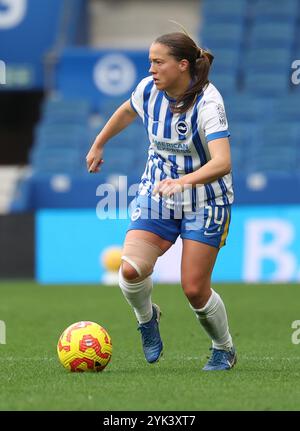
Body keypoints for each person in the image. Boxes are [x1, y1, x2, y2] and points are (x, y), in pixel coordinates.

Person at [86, 32, 237, 371]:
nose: (151, 69)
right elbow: (127, 111)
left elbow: (222, 162)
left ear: (183, 65)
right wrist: (99, 143)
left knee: (195, 290)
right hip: (158, 192)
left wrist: (182, 182)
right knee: (131, 269)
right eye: (150, 62)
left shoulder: (209, 103)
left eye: (158, 62)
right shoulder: (148, 90)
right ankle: (147, 319)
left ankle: (223, 347)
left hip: (206, 199)